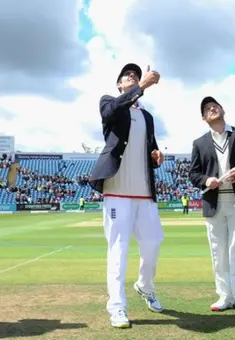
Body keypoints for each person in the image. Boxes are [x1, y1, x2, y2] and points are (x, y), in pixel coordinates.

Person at [89, 63, 165, 328]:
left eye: (135, 75)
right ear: (119, 85)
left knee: (154, 241)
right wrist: (140, 87)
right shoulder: (109, 102)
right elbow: (112, 111)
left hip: (144, 192)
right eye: (127, 76)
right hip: (118, 190)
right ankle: (117, 307)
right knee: (118, 250)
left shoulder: (148, 117)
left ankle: (144, 285)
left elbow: (151, 149)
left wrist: (156, 156)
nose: (132, 77)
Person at [189, 96, 235, 319]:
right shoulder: (199, 143)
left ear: (223, 109)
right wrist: (206, 180)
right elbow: (193, 174)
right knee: (218, 251)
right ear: (204, 118)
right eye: (206, 109)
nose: (211, 108)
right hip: (214, 202)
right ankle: (225, 296)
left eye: (214, 105)